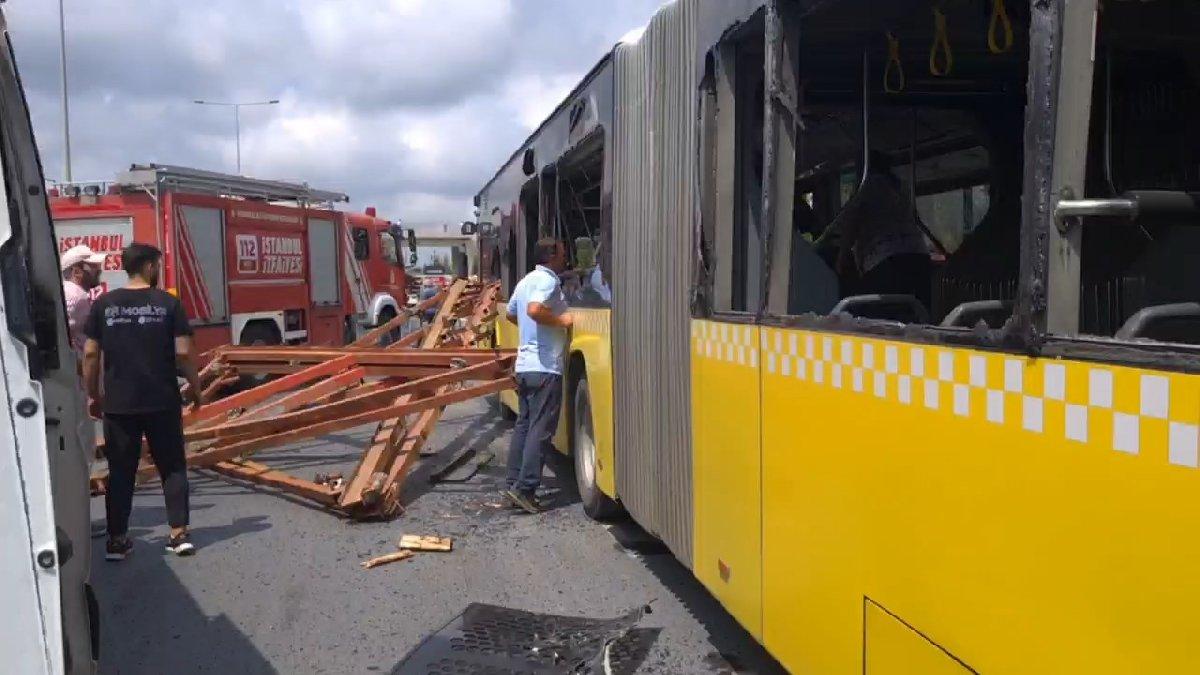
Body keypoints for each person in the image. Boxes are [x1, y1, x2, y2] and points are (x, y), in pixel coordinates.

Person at [82, 242, 203, 560]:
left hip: (119, 404)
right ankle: (179, 535)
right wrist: (197, 387)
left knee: (121, 471)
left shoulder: (104, 304)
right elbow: (184, 352)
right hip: (162, 400)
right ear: (149, 266)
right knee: (172, 467)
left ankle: (117, 541)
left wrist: (94, 395)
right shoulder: (168, 304)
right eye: (158, 265)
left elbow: (91, 353)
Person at [500, 238, 573, 513]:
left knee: (524, 426)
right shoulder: (548, 281)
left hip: (525, 366)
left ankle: (512, 483)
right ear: (552, 256)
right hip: (545, 367)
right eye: (563, 253)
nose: (565, 258)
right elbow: (534, 310)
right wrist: (560, 322)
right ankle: (526, 488)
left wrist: (532, 331)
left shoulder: (523, 282)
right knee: (540, 430)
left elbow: (511, 314)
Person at [815, 149, 932, 308]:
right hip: (919, 256)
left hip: (887, 261)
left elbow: (849, 221)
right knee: (918, 312)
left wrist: (841, 258)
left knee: (881, 316)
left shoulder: (867, 185)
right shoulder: (900, 188)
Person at [60, 244, 106, 358]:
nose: (99, 270)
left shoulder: (68, 291)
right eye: (93, 266)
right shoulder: (77, 297)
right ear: (76, 272)